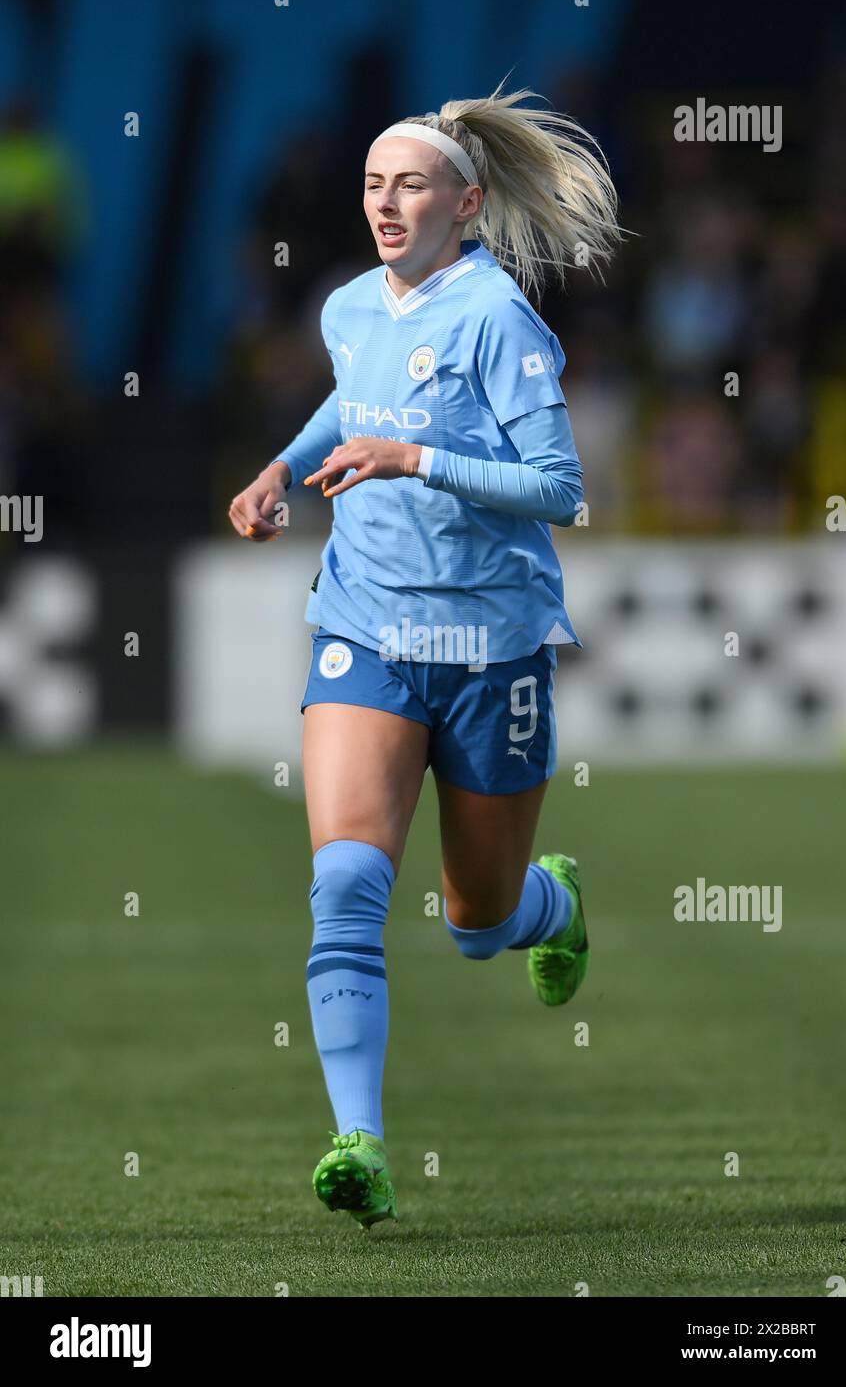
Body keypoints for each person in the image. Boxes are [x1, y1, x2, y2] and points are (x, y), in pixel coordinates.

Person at [228, 80, 623, 1230]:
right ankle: (359, 1141)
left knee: (474, 923)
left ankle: (549, 906)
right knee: (346, 886)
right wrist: (276, 469)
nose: (386, 204)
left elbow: (558, 488)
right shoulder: (349, 307)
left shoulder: (498, 318)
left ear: (468, 200)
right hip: (366, 627)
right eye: (370, 184)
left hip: (492, 647)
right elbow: (343, 408)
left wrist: (415, 460)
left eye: (408, 183)